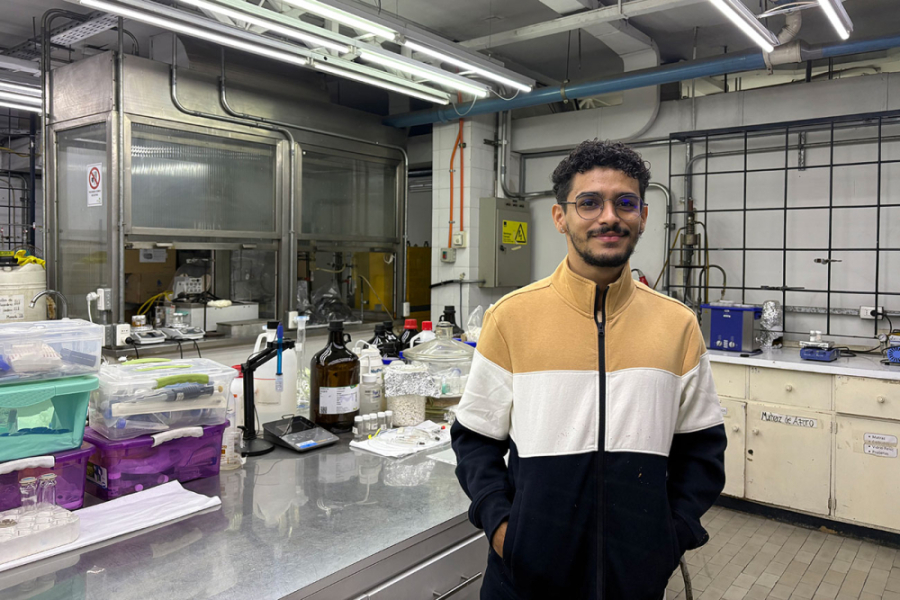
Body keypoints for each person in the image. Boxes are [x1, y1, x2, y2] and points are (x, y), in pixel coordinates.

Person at [451, 139, 726, 600]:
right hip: (524, 581)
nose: (609, 217)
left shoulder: (676, 325)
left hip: (633, 582)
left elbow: (702, 451)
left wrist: (668, 536)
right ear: (561, 217)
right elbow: (476, 439)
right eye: (589, 203)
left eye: (625, 203)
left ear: (642, 215)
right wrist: (504, 530)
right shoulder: (512, 317)